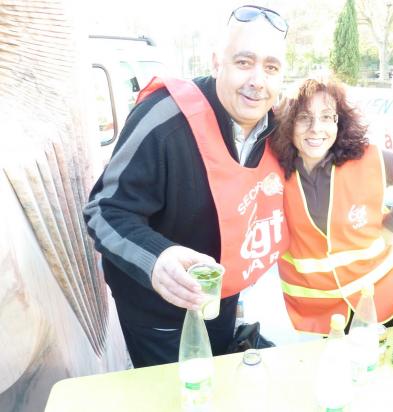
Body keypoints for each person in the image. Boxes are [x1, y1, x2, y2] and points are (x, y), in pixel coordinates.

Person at [83, 5, 289, 367]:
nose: (258, 80)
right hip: (157, 315)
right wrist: (157, 258)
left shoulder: (278, 128)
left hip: (220, 302)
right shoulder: (164, 118)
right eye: (244, 62)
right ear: (216, 63)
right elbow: (104, 210)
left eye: (271, 67)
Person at [269, 78, 393, 334]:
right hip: (322, 311)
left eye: (326, 117)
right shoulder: (272, 171)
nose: (316, 128)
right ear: (288, 123)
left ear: (339, 121)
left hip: (387, 295)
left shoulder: (368, 159)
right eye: (303, 117)